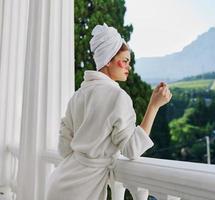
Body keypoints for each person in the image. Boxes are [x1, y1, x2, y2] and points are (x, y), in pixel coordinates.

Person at [46, 23, 172, 200]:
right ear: (107, 60)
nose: (129, 67)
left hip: (59, 183)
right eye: (125, 61)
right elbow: (131, 149)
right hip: (82, 191)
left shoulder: (78, 95)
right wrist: (153, 106)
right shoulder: (117, 97)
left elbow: (64, 148)